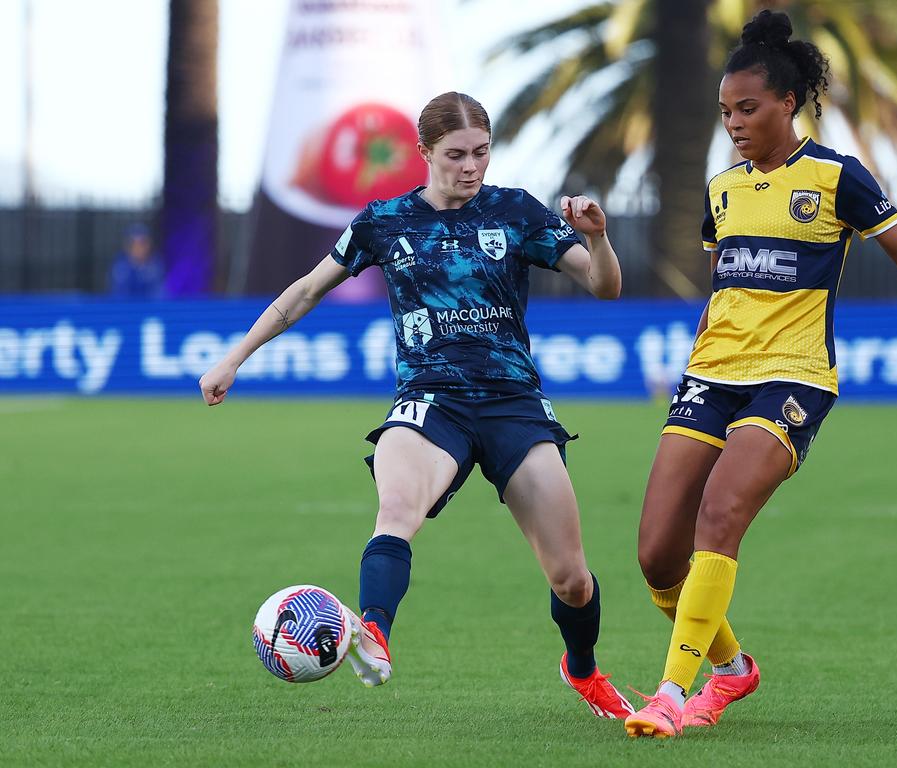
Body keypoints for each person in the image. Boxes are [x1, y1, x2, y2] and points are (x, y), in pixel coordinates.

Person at [200, 92, 635, 719]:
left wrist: (597, 239)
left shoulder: (515, 212)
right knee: (398, 508)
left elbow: (606, 287)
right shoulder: (385, 220)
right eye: (456, 154)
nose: (471, 166)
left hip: (513, 404)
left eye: (481, 152)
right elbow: (304, 292)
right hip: (430, 401)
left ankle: (584, 669)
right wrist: (233, 358)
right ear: (425, 152)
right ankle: (372, 632)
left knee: (571, 578)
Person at [624, 10, 897, 738]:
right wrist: (689, 361)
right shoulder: (723, 190)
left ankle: (669, 693)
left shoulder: (837, 177)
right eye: (725, 112)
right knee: (657, 555)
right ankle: (732, 670)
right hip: (711, 374)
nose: (734, 123)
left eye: (746, 108)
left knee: (719, 517)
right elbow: (725, 287)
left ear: (789, 101)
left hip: (793, 374)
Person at [109, 223, 164, 298]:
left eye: (142, 243)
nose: (138, 248)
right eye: (134, 243)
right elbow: (119, 295)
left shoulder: (156, 265)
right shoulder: (120, 266)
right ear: (127, 246)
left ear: (149, 245)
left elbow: (158, 295)